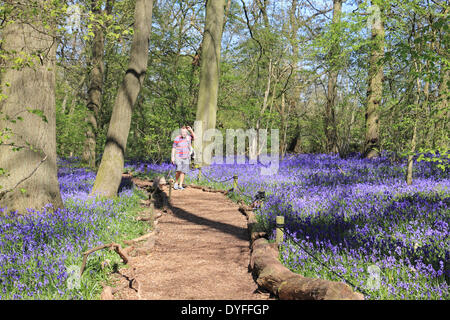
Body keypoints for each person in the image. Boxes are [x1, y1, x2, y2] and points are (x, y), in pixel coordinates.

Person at [171, 125, 195, 190]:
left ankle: (180, 185)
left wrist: (191, 130)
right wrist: (172, 157)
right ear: (180, 132)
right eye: (182, 132)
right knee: (178, 170)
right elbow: (173, 148)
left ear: (186, 133)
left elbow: (194, 137)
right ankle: (176, 182)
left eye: (184, 132)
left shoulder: (188, 138)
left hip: (186, 157)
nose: (183, 133)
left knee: (183, 172)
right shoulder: (177, 138)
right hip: (178, 156)